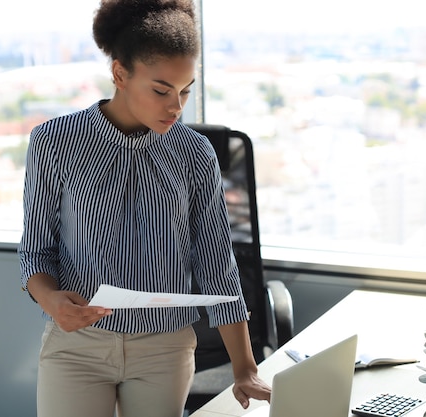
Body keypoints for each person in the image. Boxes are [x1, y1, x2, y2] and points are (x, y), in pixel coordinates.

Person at [17, 1, 271, 416]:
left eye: (185, 90)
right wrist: (51, 302)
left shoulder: (194, 153)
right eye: (160, 90)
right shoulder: (54, 142)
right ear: (120, 74)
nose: (176, 106)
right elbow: (35, 251)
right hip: (78, 346)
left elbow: (216, 263)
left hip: (164, 349)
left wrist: (244, 368)